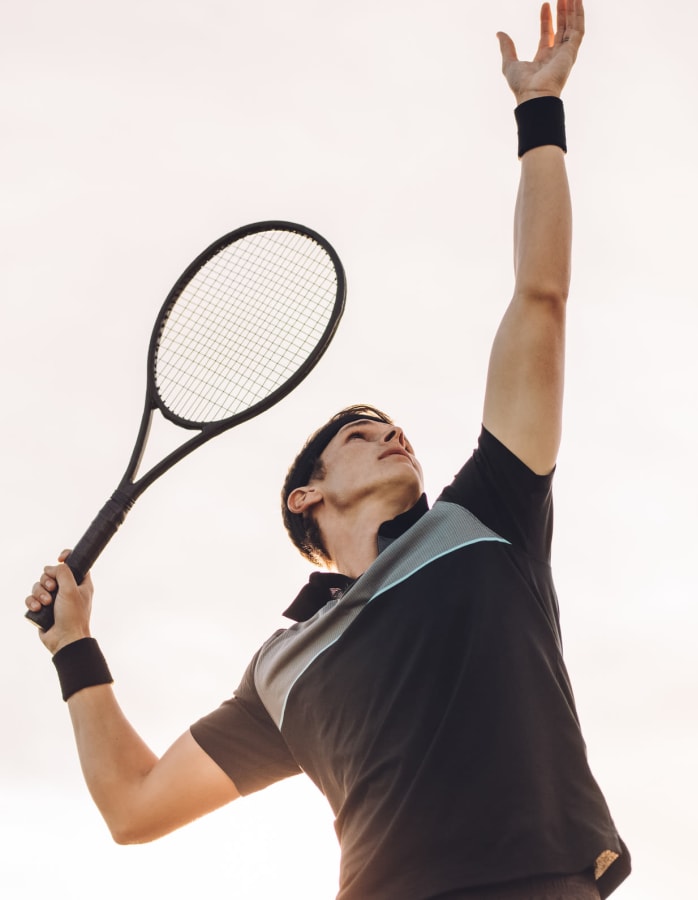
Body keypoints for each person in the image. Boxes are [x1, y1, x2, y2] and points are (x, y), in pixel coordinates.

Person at [26, 1, 631, 897]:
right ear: (305, 499)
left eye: (395, 428)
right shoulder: (281, 669)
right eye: (360, 433)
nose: (393, 434)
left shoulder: (487, 512)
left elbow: (539, 299)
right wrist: (73, 647)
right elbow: (133, 806)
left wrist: (538, 112)